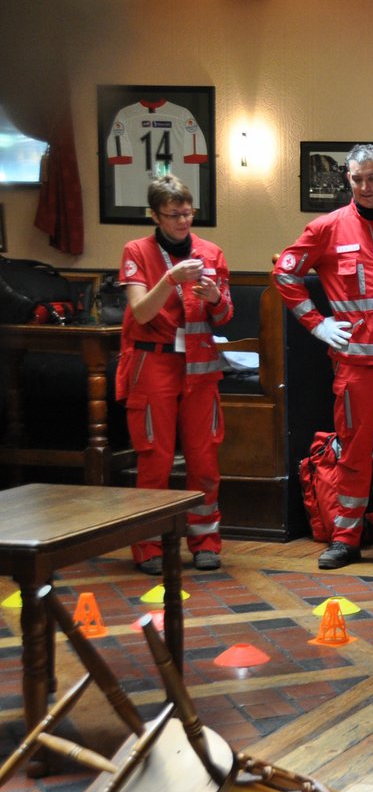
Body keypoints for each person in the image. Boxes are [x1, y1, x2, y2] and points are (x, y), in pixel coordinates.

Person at [276, 143, 373, 570]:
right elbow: (284, 273)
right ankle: (345, 537)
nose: (364, 186)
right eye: (356, 179)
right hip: (355, 365)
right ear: (348, 180)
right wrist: (317, 324)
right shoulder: (326, 228)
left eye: (372, 178)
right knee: (352, 452)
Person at [117, 175, 233, 574]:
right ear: (154, 215)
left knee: (204, 460)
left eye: (188, 213)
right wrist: (171, 280)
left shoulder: (211, 252)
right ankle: (148, 546)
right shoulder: (137, 251)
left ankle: (205, 541)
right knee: (156, 459)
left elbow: (225, 314)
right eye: (173, 215)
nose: (183, 221)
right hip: (155, 365)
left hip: (200, 368)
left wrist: (216, 298)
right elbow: (142, 312)